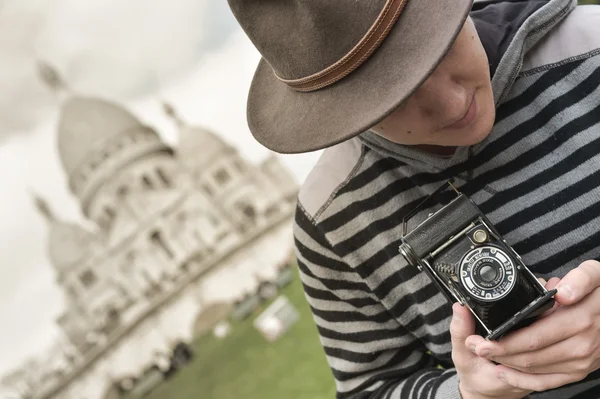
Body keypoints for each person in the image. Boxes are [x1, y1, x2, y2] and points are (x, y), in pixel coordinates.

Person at [227, 0, 600, 397]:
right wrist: (467, 393)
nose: (455, 104)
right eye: (396, 98)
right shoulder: (329, 220)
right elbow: (371, 388)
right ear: (334, 113)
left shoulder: (591, 49)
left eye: (442, 45)